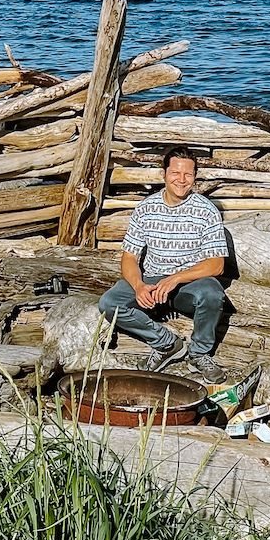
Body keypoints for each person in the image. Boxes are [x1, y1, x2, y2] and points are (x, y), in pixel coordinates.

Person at [98, 144, 229, 382]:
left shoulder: (206, 211)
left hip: (189, 283)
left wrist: (176, 278)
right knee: (109, 303)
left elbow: (216, 265)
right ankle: (167, 344)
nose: (182, 180)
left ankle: (199, 353)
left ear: (195, 177)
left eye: (188, 174)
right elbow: (129, 257)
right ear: (164, 174)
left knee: (212, 294)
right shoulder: (146, 208)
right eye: (176, 173)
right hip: (152, 279)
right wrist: (138, 286)